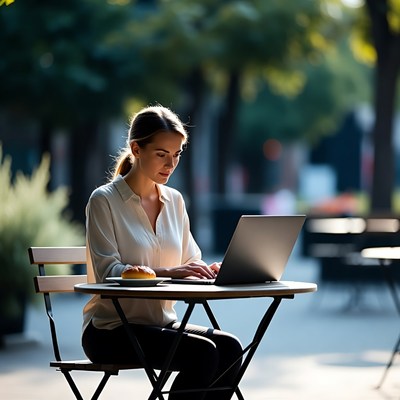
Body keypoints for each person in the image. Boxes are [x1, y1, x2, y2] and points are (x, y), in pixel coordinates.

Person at [81, 105, 243, 399]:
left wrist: (207, 271)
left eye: (177, 154)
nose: (171, 163)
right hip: (112, 330)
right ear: (136, 149)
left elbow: (189, 260)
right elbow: (108, 273)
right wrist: (170, 272)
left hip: (161, 326)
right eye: (162, 154)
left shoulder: (175, 201)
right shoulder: (103, 201)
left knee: (230, 348)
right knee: (203, 354)